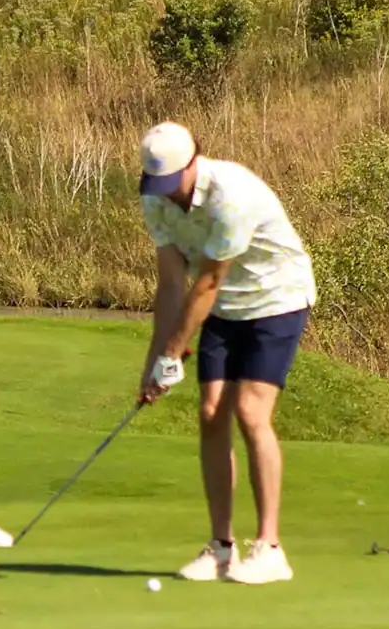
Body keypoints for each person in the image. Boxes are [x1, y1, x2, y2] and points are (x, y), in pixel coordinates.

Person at [135, 122, 317, 586]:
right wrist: (155, 361)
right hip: (221, 305)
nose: (166, 194)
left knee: (251, 412)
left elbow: (208, 281)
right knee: (211, 412)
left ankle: (270, 548)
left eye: (172, 181)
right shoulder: (155, 197)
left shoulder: (231, 196)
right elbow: (172, 284)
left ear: (194, 161)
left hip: (276, 298)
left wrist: (176, 351)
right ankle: (220, 548)